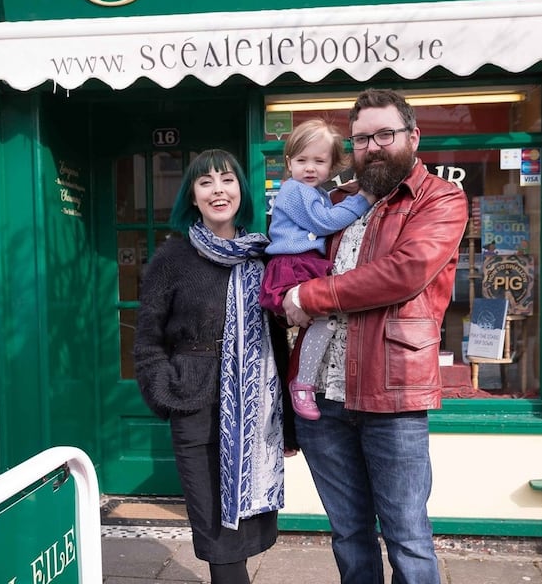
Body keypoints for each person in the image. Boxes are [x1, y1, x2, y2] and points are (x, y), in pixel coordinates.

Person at [282, 89, 468, 584]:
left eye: (385, 134)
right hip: (321, 398)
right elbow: (289, 251)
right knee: (348, 533)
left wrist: (308, 296)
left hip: (393, 394)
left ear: (412, 136)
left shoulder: (440, 199)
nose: (374, 146)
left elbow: (403, 274)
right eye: (362, 138)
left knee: (407, 536)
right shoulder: (338, 202)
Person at [134, 149, 285, 584]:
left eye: (227, 180)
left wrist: (287, 423)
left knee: (245, 524)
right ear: (193, 197)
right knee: (214, 520)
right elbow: (147, 338)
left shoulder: (263, 256)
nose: (218, 190)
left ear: (241, 190)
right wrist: (167, 391)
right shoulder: (172, 259)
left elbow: (278, 339)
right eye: (206, 183)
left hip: (254, 407)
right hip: (195, 400)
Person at [259, 118, 375, 420]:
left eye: (319, 161)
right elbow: (324, 223)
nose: (309, 168)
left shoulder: (317, 194)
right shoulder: (293, 190)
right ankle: (303, 384)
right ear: (288, 162)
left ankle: (303, 382)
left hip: (305, 263)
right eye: (301, 160)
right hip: (293, 266)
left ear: (332, 165)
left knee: (323, 322)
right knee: (324, 321)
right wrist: (361, 200)